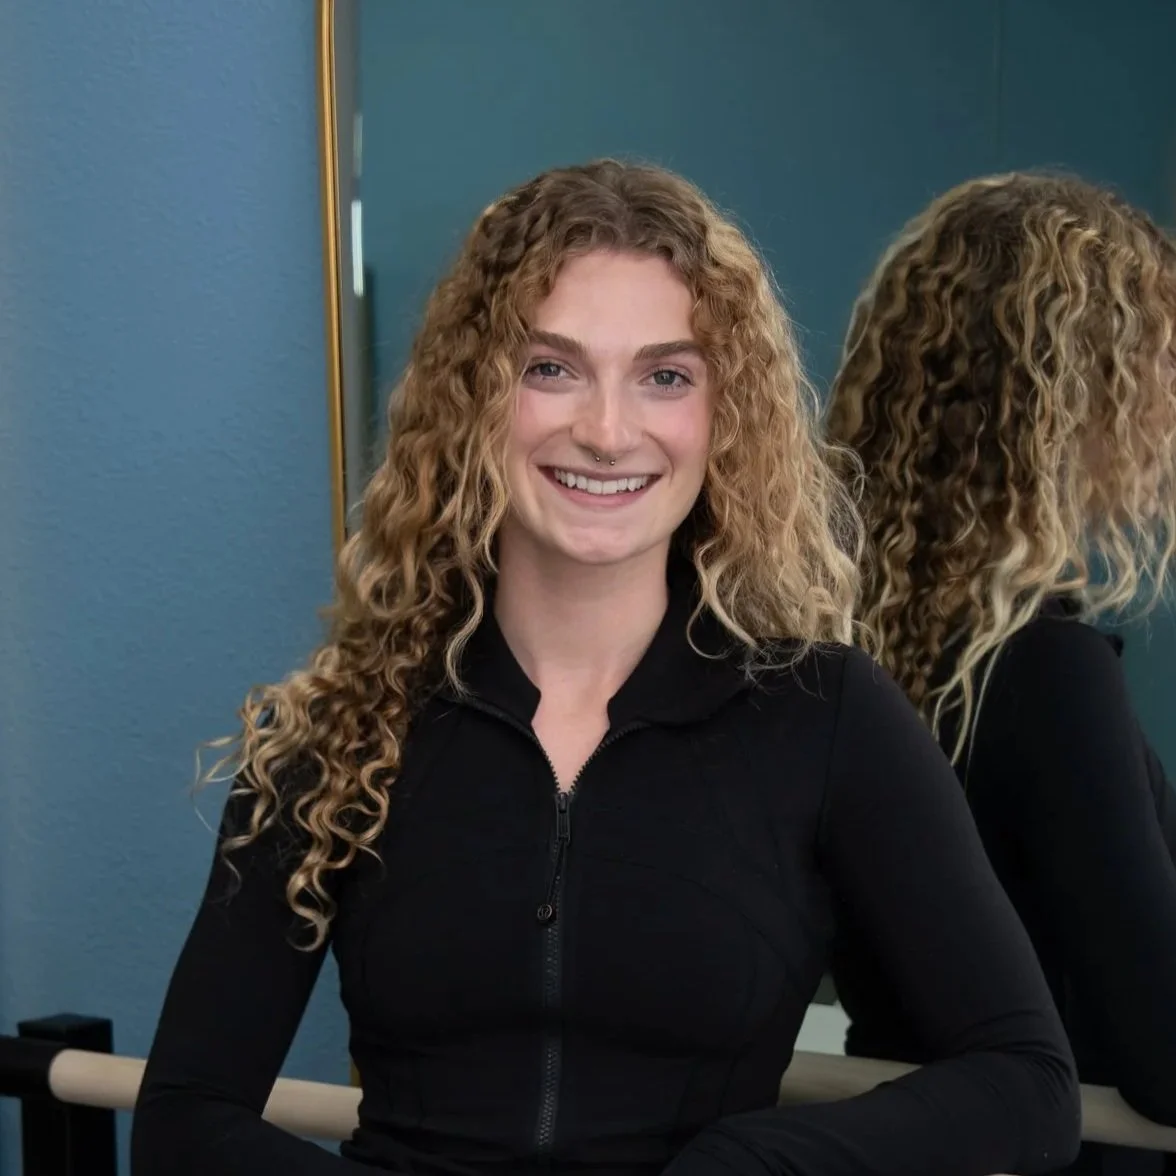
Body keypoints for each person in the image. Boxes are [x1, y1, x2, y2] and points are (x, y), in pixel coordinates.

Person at [131, 159, 1081, 1176]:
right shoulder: (340, 727)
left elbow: (1024, 1083)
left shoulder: (827, 717)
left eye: (666, 376)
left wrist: (752, 1163)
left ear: (724, 417)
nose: (608, 429)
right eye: (551, 368)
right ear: (473, 401)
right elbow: (187, 1118)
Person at [826, 171, 1176, 1176]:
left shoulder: (857, 646)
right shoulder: (1043, 675)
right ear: (1071, 390)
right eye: (1152, 356)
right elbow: (1163, 1047)